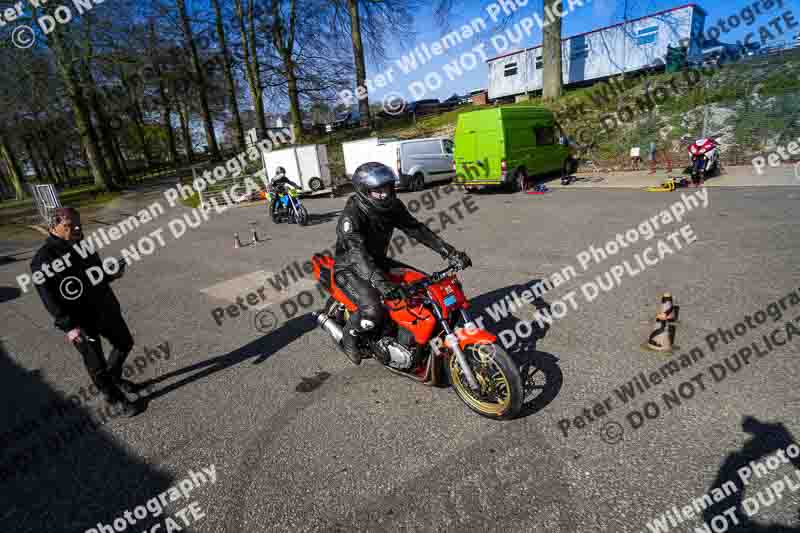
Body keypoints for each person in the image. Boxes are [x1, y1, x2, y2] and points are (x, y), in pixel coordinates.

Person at [333, 162, 471, 365]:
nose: (384, 194)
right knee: (373, 309)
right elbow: (357, 254)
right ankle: (350, 338)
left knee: (427, 287)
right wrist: (381, 283)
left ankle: (412, 338)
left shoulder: (393, 205)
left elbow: (416, 229)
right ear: (364, 191)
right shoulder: (352, 215)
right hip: (350, 268)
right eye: (377, 191)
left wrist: (449, 252)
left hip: (378, 262)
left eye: (387, 188)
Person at [30, 207, 141, 417]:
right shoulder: (42, 260)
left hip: (105, 309)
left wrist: (111, 274)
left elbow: (96, 274)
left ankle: (114, 377)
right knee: (96, 364)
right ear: (53, 227)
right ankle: (115, 398)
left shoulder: (84, 245)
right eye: (70, 225)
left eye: (79, 223)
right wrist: (69, 327)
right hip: (79, 321)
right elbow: (49, 299)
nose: (78, 228)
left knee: (125, 342)